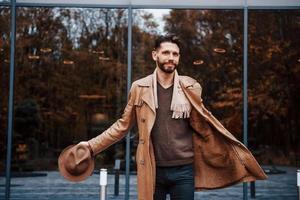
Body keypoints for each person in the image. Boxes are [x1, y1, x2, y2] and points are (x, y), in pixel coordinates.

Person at [77, 35, 267, 200]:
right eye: (166, 53)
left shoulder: (191, 87)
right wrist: (92, 145)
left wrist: (223, 151)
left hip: (184, 169)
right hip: (152, 169)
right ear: (155, 55)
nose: (171, 58)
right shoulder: (139, 88)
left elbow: (203, 126)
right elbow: (122, 126)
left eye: (175, 54)